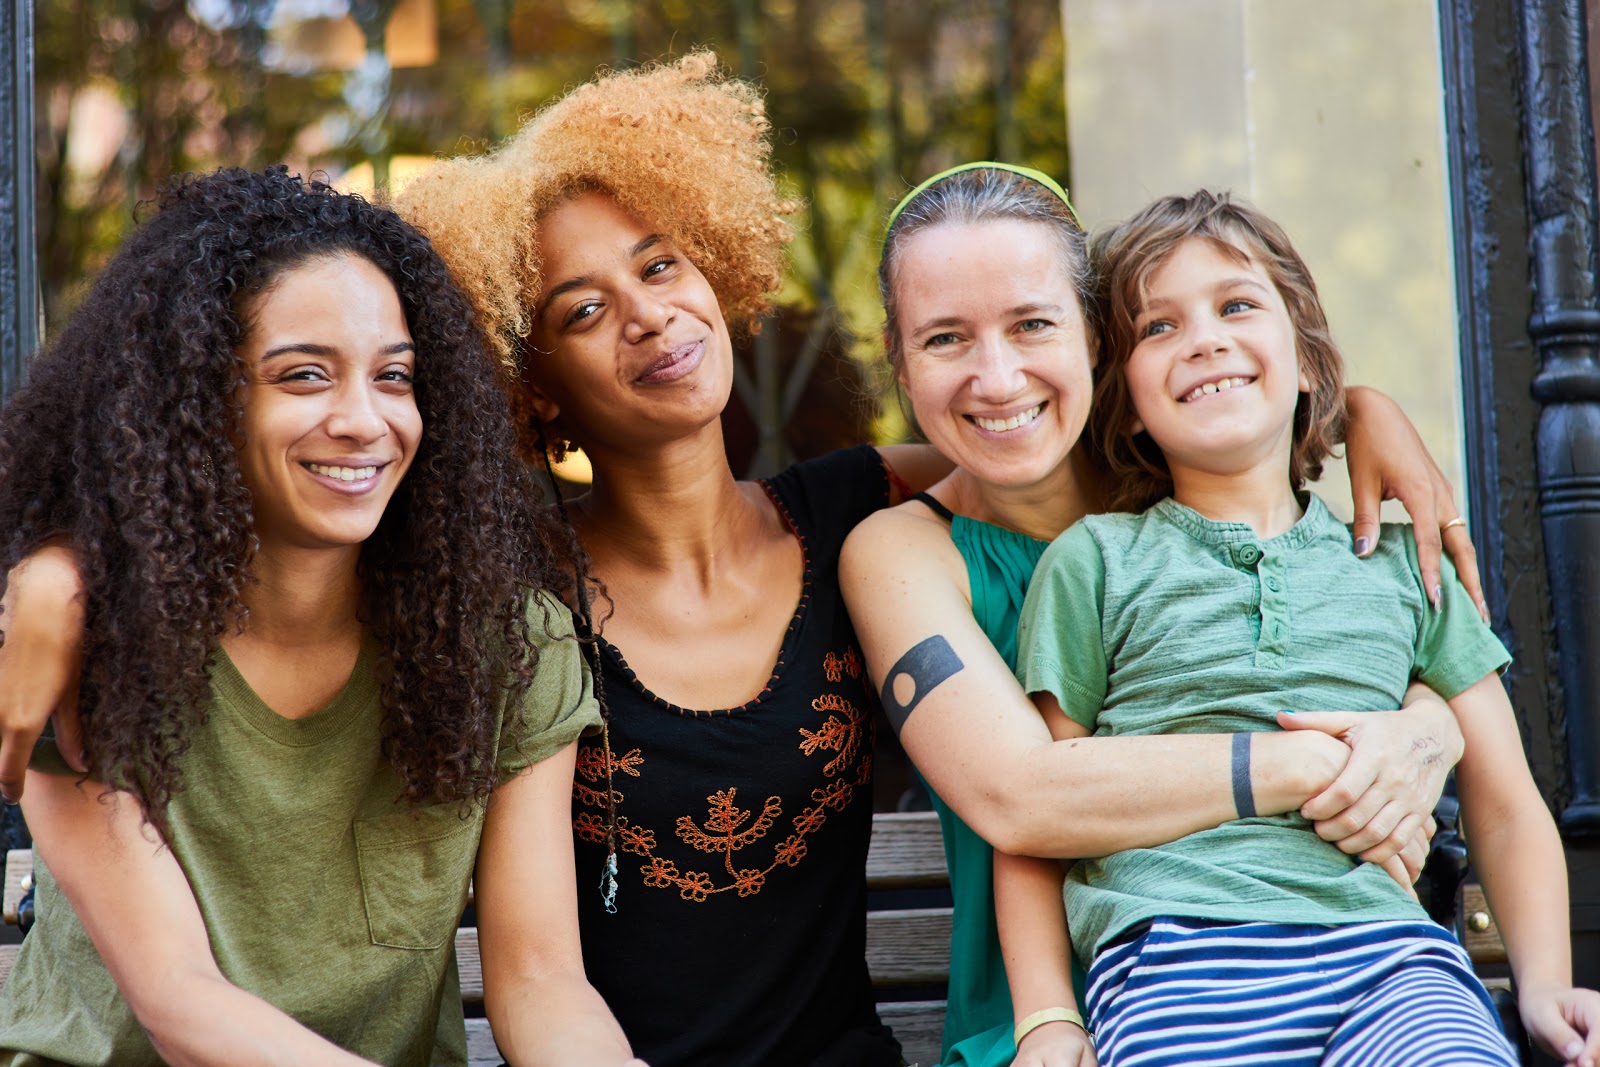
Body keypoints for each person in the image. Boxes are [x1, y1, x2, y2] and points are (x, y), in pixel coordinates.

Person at [0, 59, 1481, 1067]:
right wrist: (55, 587)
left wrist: (1354, 411)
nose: (647, 317)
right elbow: (524, 968)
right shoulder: (489, 574)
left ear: (720, 261)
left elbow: (1082, 440)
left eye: (663, 264)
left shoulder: (849, 516)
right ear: (526, 379)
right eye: (580, 309)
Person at [840, 163, 1477, 1067]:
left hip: (1344, 980)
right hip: (1041, 1028)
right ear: (900, 361)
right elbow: (1024, 794)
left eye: (1032, 324)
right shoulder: (906, 550)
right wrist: (1315, 757)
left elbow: (1363, 641)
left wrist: (1432, 721)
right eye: (945, 338)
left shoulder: (1198, 501)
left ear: (1097, 341)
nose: (996, 375)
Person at [0, 167, 636, 1067]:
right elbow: (183, 1005)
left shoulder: (509, 642)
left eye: (394, 377)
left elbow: (541, 979)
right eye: (304, 375)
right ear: (198, 400)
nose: (363, 420)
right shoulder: (91, 645)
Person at [1002, 189, 1600, 1066]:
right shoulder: (1097, 561)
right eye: (1158, 328)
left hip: (1392, 962)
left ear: (1309, 361)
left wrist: (1545, 982)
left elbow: (1505, 801)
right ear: (1123, 401)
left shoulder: (1408, 565)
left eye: (1237, 306)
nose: (1205, 337)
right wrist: (1049, 1019)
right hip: (1176, 960)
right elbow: (1045, 816)